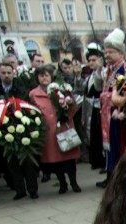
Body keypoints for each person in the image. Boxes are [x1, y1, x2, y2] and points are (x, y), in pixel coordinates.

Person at [28, 65, 82, 195]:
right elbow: (31, 111)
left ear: (51, 76)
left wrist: (66, 115)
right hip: (49, 131)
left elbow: (74, 105)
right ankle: (62, 183)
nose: (44, 78)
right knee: (56, 160)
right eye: (41, 75)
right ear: (37, 78)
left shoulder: (61, 88)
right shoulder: (34, 94)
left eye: (47, 75)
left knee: (69, 158)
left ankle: (74, 182)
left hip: (64, 127)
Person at [97, 29, 126, 189]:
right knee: (108, 145)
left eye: (110, 52)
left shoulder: (123, 69)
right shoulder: (109, 69)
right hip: (106, 113)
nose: (107, 55)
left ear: (119, 52)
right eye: (106, 52)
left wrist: (106, 96)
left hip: (116, 112)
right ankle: (110, 173)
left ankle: (116, 176)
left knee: (116, 144)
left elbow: (122, 92)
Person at [81, 44, 106, 171]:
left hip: (99, 109)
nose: (91, 63)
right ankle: (98, 161)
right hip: (90, 109)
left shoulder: (102, 73)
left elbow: (99, 88)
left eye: (94, 60)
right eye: (89, 60)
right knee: (94, 136)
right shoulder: (89, 76)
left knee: (101, 136)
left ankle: (103, 162)